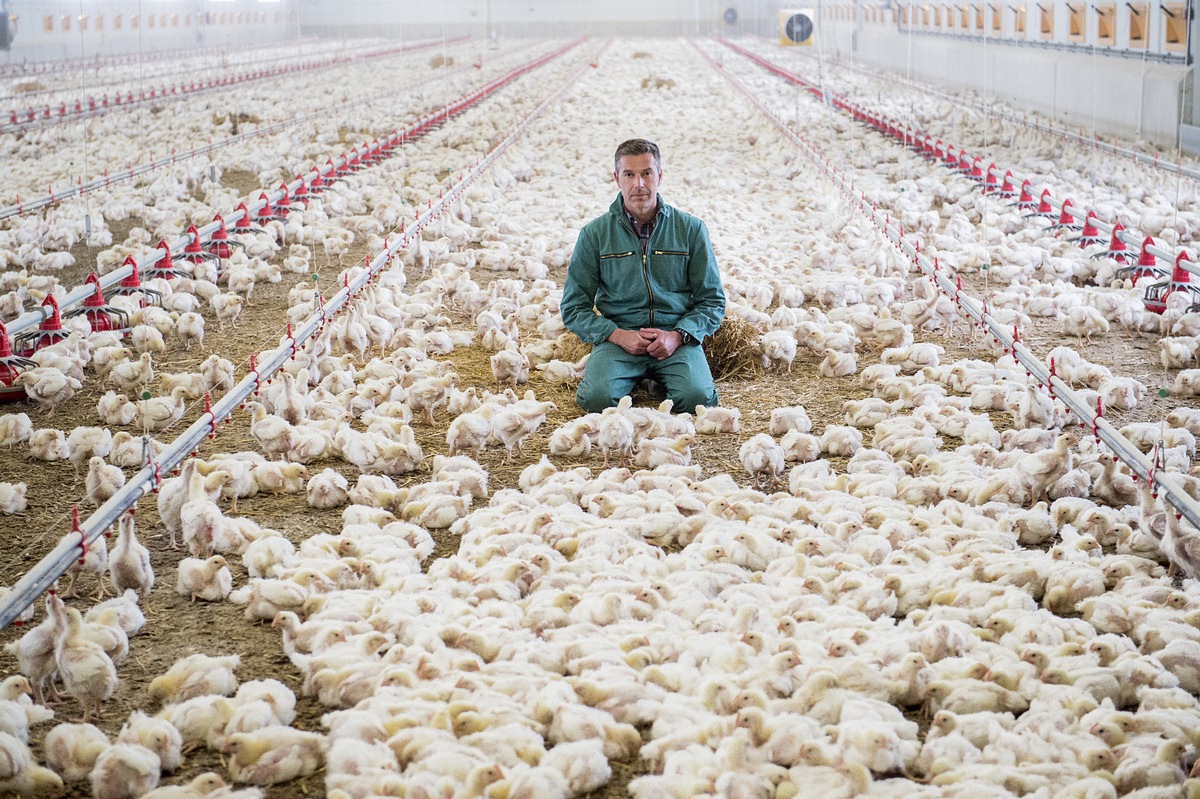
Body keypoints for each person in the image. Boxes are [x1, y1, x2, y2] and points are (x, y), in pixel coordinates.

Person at [561, 138, 726, 414]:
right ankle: (631, 375)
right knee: (596, 400)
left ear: (659, 177)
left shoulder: (691, 229)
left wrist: (679, 335)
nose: (639, 184)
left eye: (646, 173)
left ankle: (665, 376)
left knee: (697, 399)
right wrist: (615, 334)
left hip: (674, 338)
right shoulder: (595, 234)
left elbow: (712, 300)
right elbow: (573, 306)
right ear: (617, 179)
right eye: (629, 174)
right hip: (621, 338)